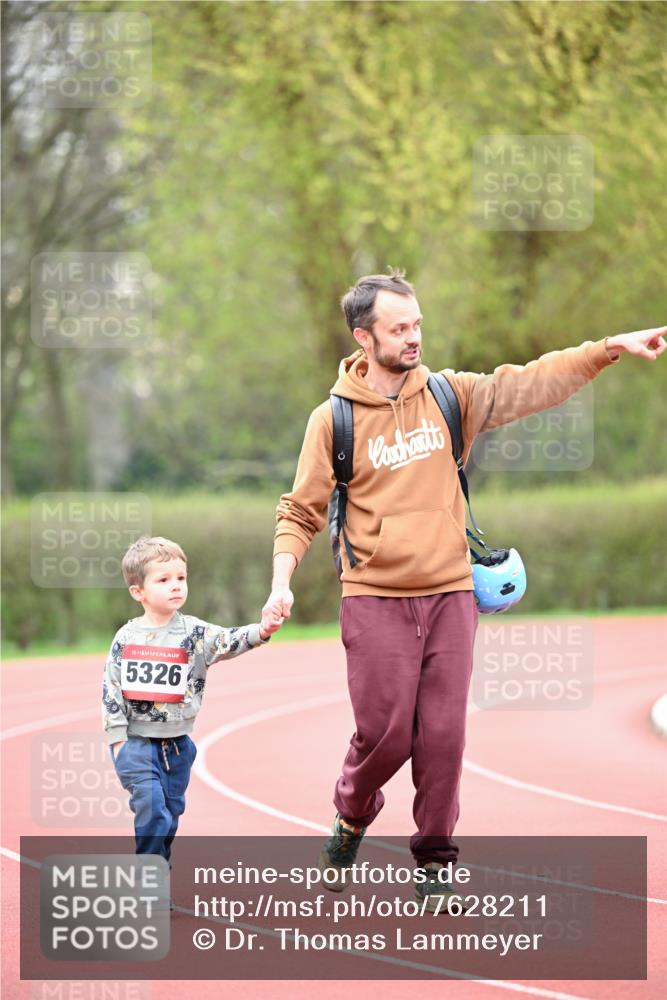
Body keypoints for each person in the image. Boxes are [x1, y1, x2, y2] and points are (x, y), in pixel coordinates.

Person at [263, 269, 665, 911]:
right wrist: (281, 580)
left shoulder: (453, 396)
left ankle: (435, 863)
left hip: (451, 593)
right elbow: (301, 509)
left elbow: (530, 381)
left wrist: (608, 346)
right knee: (386, 733)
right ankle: (351, 815)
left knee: (443, 738)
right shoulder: (331, 421)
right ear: (365, 337)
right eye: (399, 329)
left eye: (417, 323)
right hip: (374, 599)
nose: (414, 336)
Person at [103, 535, 283, 866]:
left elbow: (227, 640)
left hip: (178, 747)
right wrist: (117, 742)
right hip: (137, 744)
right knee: (153, 809)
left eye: (181, 578)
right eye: (164, 580)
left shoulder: (194, 633)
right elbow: (112, 687)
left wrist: (263, 629)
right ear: (138, 592)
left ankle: (158, 861)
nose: (176, 586)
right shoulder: (126, 638)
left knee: (169, 815)